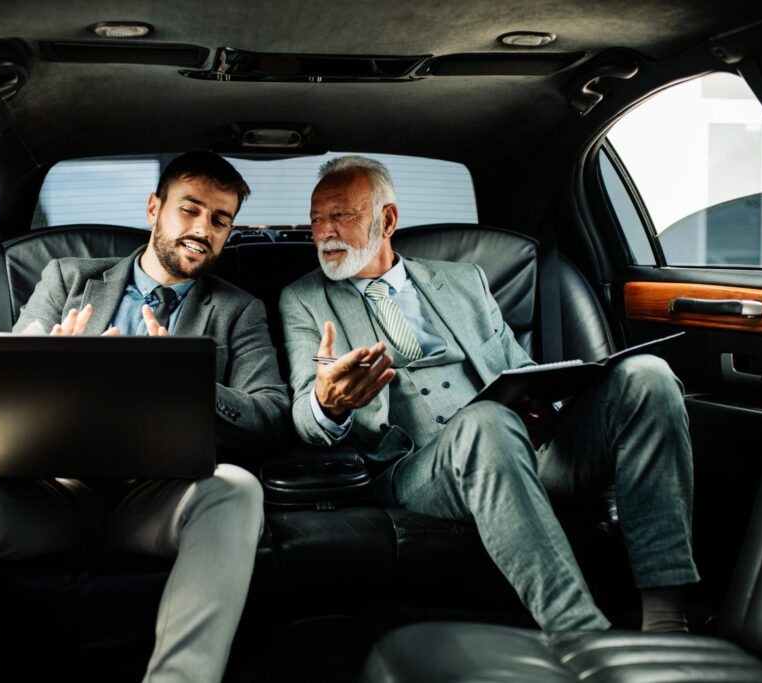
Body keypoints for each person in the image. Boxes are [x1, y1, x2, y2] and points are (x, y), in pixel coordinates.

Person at [0, 151, 289, 682]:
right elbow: (6, 383)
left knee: (238, 490)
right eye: (189, 211)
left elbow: (269, 414)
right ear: (154, 209)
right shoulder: (66, 279)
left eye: (220, 220)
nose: (203, 229)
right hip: (44, 496)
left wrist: (186, 384)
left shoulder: (239, 309)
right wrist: (49, 364)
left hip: (153, 502)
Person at [280, 155, 699, 633]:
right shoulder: (304, 299)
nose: (324, 232)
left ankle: (667, 620)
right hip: (417, 470)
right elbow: (303, 411)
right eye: (316, 219)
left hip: (523, 446)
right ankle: (581, 635)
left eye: (341, 216)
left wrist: (551, 403)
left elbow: (522, 372)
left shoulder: (465, 280)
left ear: (387, 219)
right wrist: (329, 403)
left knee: (648, 375)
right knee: (486, 421)